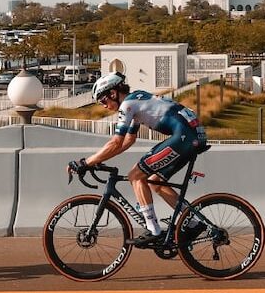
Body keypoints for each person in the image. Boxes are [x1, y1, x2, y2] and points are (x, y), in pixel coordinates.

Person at [66, 72, 208, 246]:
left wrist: (86, 162)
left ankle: (153, 230)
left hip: (184, 136)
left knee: (135, 175)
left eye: (103, 100)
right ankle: (193, 223)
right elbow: (128, 141)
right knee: (154, 181)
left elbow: (116, 142)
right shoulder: (137, 100)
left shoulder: (127, 105)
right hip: (192, 134)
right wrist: (98, 160)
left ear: (113, 93)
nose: (103, 105)